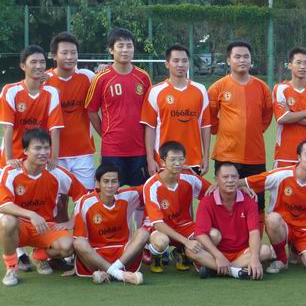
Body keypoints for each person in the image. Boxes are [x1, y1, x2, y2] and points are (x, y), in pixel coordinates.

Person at [0, 129, 87, 286]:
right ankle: (11, 267)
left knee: (68, 247)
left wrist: (72, 221)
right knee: (7, 221)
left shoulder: (56, 173)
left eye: (47, 148)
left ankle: (39, 256)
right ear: (25, 151)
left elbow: (83, 197)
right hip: (20, 226)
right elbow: (3, 204)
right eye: (37, 148)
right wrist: (31, 214)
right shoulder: (11, 172)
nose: (43, 152)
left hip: (46, 226)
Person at [244, 139, 306, 274]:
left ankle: (296, 249)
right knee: (272, 219)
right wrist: (233, 184)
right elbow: (248, 182)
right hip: (283, 226)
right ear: (299, 157)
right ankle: (281, 259)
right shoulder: (281, 175)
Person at [208, 40, 272, 213]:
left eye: (246, 56)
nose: (242, 60)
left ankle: (256, 231)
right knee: (225, 202)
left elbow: (267, 115)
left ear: (251, 60)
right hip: (226, 154)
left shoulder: (262, 87)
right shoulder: (217, 87)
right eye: (237, 57)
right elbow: (210, 115)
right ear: (228, 60)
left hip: (255, 155)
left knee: (256, 202)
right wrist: (221, 130)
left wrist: (255, 130)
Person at [85, 28, 151, 186]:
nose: (125, 50)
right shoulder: (101, 78)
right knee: (111, 194)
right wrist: (105, 134)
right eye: (120, 46)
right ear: (111, 50)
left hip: (140, 149)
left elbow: (151, 113)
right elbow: (91, 110)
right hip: (112, 151)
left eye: (129, 46)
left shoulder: (143, 77)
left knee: (140, 195)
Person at [189, 162, 273, 279]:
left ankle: (216, 270)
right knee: (190, 250)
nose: (230, 180)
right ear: (216, 180)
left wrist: (254, 258)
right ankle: (235, 271)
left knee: (265, 251)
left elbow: (254, 232)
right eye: (225, 177)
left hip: (242, 252)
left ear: (238, 179)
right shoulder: (207, 201)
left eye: (234, 177)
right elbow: (200, 234)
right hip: (216, 252)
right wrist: (218, 256)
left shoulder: (249, 200)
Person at [141, 44, 211, 176]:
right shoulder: (155, 91)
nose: (180, 64)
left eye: (184, 61)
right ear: (167, 64)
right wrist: (150, 159)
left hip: (193, 160)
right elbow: (150, 127)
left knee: (189, 190)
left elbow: (205, 126)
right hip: (163, 161)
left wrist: (206, 157)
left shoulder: (200, 90)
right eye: (176, 61)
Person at [72, 164, 147, 284]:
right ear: (97, 183)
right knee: (79, 242)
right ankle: (120, 275)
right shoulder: (85, 202)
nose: (110, 186)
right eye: (106, 181)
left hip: (123, 254)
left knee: (143, 233)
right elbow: (78, 239)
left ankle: (109, 273)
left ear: (119, 183)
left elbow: (150, 187)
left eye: (114, 181)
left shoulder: (127, 196)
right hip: (96, 256)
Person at [143, 141, 211, 273]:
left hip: (184, 225)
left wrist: (241, 186)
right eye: (173, 160)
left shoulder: (189, 178)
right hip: (159, 228)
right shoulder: (152, 185)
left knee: (213, 235)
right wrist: (186, 241)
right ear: (163, 162)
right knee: (161, 242)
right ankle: (155, 256)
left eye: (181, 159)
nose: (178, 163)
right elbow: (158, 224)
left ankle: (181, 252)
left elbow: (213, 192)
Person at [45, 32, 96, 190]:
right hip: (54, 154)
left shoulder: (88, 77)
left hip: (83, 153)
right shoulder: (44, 81)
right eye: (64, 53)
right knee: (58, 200)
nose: (70, 57)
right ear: (54, 55)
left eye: (73, 53)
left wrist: (104, 70)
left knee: (87, 198)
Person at [0, 45, 63, 169]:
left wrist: (54, 158)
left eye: (42, 62)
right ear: (23, 66)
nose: (38, 66)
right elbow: (7, 127)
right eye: (33, 62)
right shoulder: (10, 91)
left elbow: (55, 129)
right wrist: (10, 159)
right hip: (14, 158)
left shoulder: (52, 93)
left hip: (39, 159)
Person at [272, 47, 306, 168]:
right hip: (285, 153)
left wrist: (291, 114)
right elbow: (282, 119)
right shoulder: (280, 88)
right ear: (290, 65)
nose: (302, 67)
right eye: (298, 62)